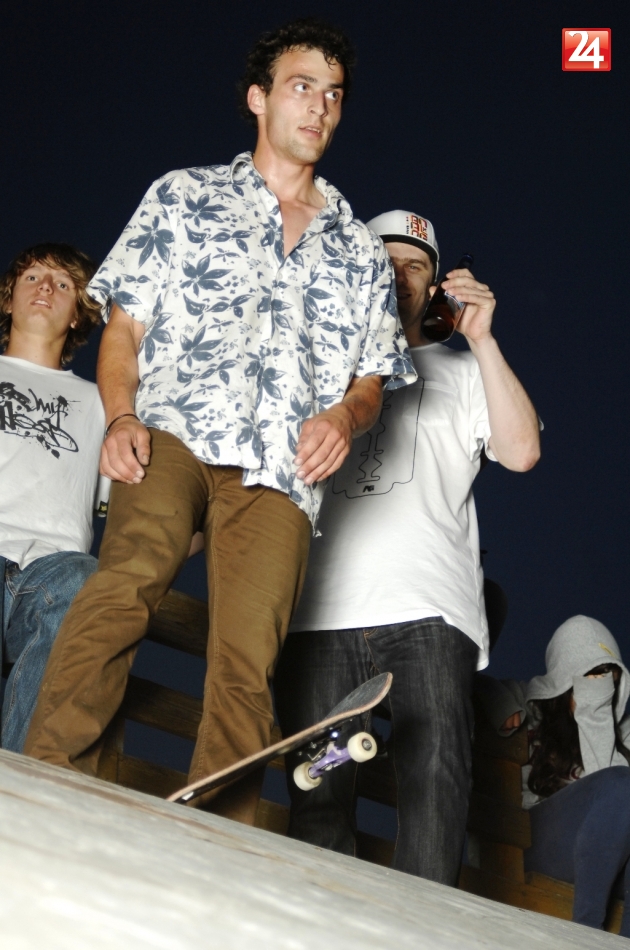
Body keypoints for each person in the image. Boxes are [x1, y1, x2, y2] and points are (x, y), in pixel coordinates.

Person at [24, 19, 414, 824]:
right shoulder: (182, 195)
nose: (320, 107)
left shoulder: (358, 250)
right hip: (172, 430)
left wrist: (346, 416)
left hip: (282, 471)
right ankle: (48, 775)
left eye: (334, 94)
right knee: (127, 583)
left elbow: (373, 378)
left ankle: (215, 832)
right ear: (259, 98)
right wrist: (120, 417)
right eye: (302, 87)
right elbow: (124, 329)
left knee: (248, 656)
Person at [274, 209, 541, 884]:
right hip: (318, 615)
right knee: (318, 795)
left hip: (427, 613)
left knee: (434, 784)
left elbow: (521, 451)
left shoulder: (463, 370)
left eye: (415, 265)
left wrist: (482, 340)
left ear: (435, 287)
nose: (398, 275)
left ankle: (424, 925)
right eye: (385, 261)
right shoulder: (317, 370)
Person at [0, 242, 104, 752]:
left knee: (84, 579)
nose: (45, 287)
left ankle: (17, 778)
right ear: (9, 299)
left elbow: (133, 507)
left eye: (63, 284)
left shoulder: (102, 403)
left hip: (52, 568)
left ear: (78, 312)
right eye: (33, 278)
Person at [476, 616, 630, 935]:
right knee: (620, 786)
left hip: (603, 853)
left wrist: (595, 711)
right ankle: (587, 936)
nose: (599, 688)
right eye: (591, 677)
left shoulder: (623, 732)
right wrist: (499, 702)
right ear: (564, 679)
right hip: (528, 842)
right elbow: (463, 680)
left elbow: (617, 812)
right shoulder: (526, 704)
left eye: (608, 680)